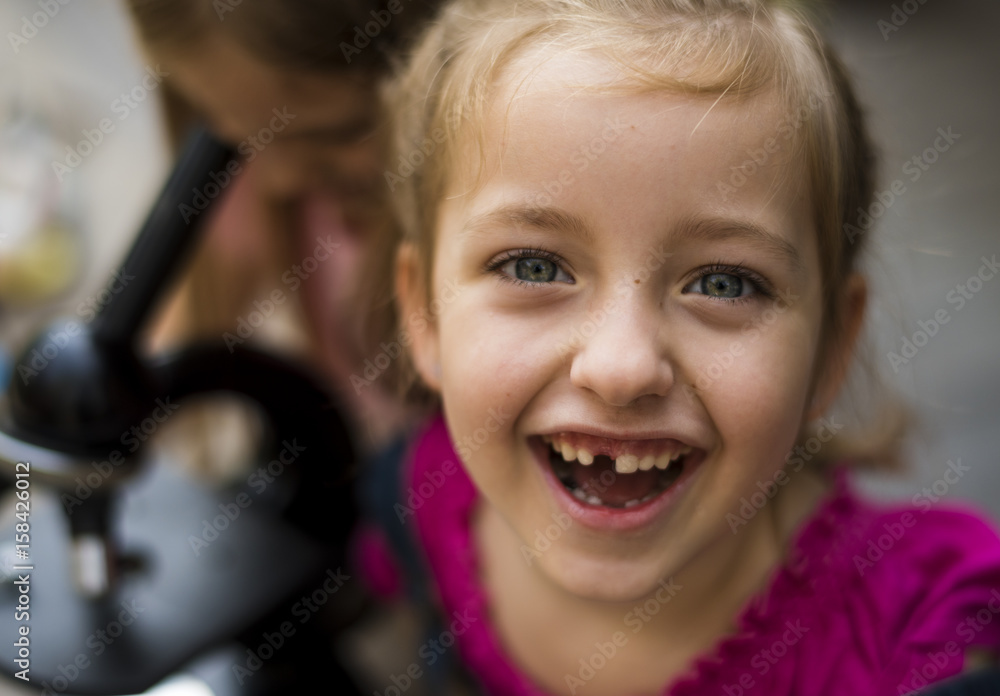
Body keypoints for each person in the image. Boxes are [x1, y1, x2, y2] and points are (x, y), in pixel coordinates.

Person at [359, 0, 1000, 694]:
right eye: (533, 267)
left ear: (831, 346)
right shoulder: (422, 499)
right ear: (423, 312)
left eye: (723, 283)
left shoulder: (928, 634)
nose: (622, 368)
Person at [124, 0, 441, 464]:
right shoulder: (262, 167)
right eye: (236, 133)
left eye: (339, 133)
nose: (278, 180)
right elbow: (178, 334)